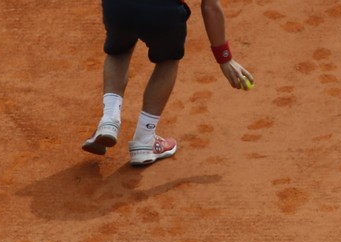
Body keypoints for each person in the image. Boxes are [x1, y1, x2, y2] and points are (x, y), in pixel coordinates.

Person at [82, 0, 253, 166]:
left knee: (118, 52)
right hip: (162, 12)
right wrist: (224, 59)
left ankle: (109, 120)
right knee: (168, 61)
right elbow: (211, 7)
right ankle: (145, 139)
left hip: (117, 6)